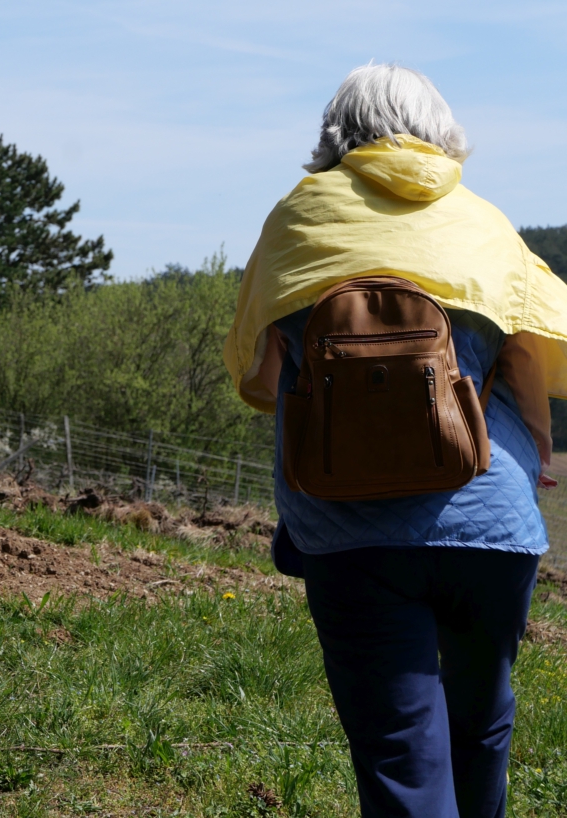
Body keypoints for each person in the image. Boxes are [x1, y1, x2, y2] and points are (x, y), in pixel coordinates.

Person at [225, 63, 567, 818]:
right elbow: (535, 359)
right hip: (489, 520)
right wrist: (532, 457)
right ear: (441, 129)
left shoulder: (298, 219)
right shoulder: (482, 223)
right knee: (482, 726)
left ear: (333, 131)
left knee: (400, 753)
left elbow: (258, 366)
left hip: (349, 530)